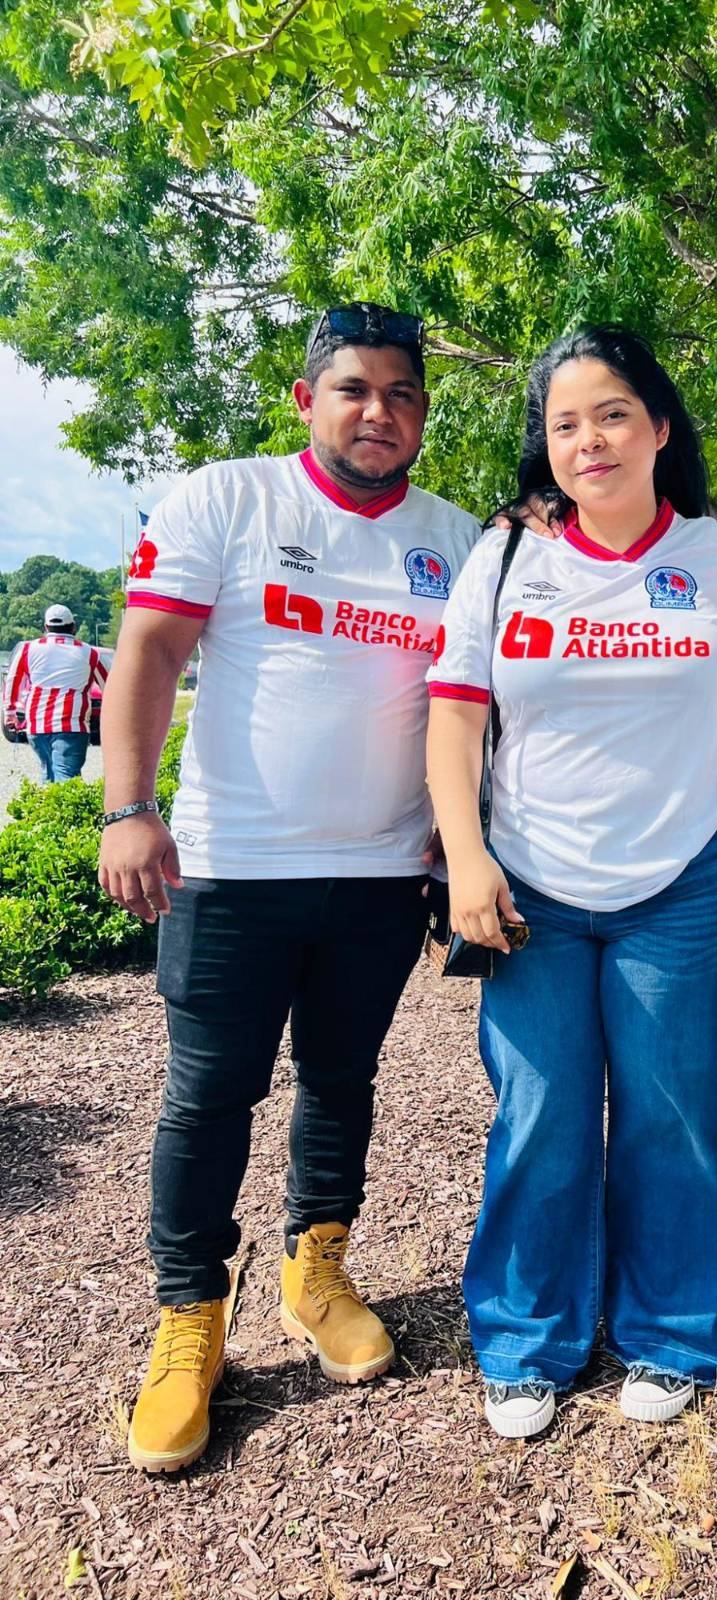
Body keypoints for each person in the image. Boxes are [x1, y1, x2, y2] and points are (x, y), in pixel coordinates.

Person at [98, 302, 481, 1474]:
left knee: (341, 1079)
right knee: (210, 1099)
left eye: (404, 394)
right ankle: (188, 1319)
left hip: (379, 873)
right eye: (355, 389)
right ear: (305, 398)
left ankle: (316, 1265)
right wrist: (127, 806)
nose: (381, 412)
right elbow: (151, 649)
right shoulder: (229, 498)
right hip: (230, 865)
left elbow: (478, 703)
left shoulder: (454, 538)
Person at [426, 325, 717, 1439]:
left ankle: (674, 1332)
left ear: (661, 428)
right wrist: (468, 856)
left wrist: (700, 725)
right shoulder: (507, 556)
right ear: (546, 443)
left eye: (613, 413)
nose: (589, 440)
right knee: (540, 1113)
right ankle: (529, 1339)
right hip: (528, 883)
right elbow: (455, 711)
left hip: (680, 883)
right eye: (565, 421)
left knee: (674, 1113)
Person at [3, 604, 107, 781]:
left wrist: (10, 713)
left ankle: (46, 807)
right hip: (72, 726)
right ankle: (64, 808)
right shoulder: (89, 653)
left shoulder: (28, 649)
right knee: (66, 779)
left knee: (48, 773)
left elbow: (14, 680)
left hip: (37, 726)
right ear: (73, 627)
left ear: (46, 627)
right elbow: (109, 686)